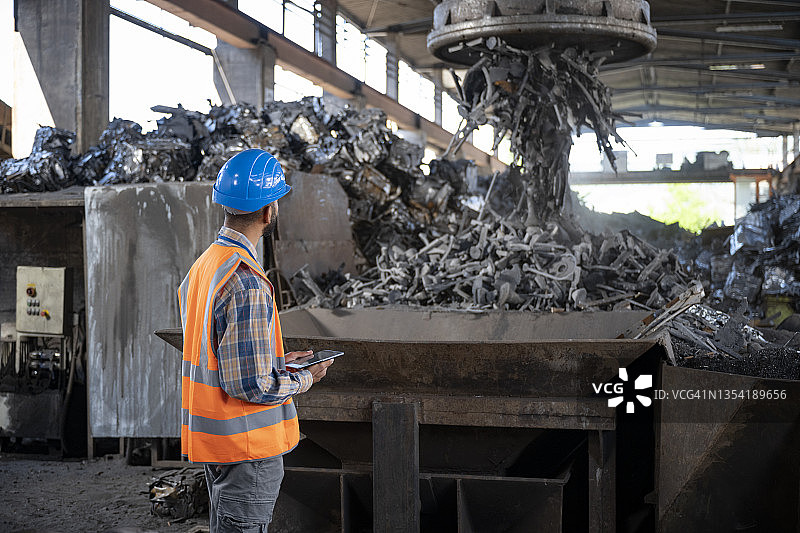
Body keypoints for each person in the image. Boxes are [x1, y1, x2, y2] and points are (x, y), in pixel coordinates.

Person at [178, 149, 333, 532]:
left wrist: (275, 360)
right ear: (268, 212)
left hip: (219, 447)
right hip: (247, 450)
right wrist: (304, 377)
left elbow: (218, 350)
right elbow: (249, 383)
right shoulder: (246, 281)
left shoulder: (206, 266)